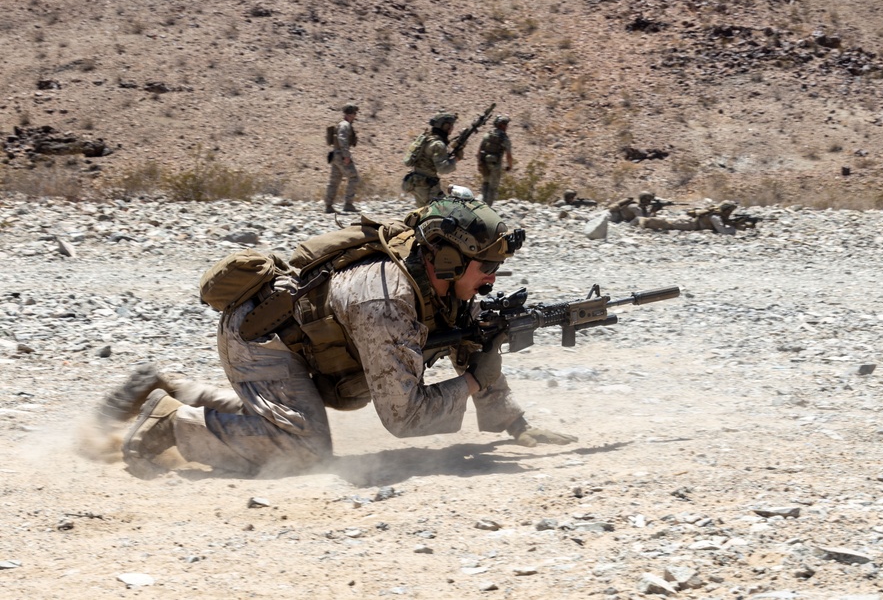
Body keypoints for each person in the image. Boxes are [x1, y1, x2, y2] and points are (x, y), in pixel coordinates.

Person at [99, 198, 577, 479]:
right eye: (486, 268)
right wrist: (474, 383)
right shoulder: (387, 299)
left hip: (288, 344)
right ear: (449, 260)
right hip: (261, 341)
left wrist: (516, 425)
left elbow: (472, 342)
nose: (492, 280)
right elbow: (404, 417)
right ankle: (172, 423)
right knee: (303, 450)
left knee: (293, 420)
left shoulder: (436, 281)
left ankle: (179, 392)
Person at [402, 112, 464, 207]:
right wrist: (456, 159)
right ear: (445, 126)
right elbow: (443, 169)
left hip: (415, 183)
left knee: (423, 215)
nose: (452, 128)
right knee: (442, 213)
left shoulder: (426, 139)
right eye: (451, 125)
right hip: (428, 187)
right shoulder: (438, 144)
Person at [636, 201, 758, 234]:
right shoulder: (715, 217)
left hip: (692, 224)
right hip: (690, 224)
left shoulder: (718, 216)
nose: (730, 213)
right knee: (669, 224)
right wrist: (734, 229)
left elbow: (728, 224)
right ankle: (646, 221)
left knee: (670, 223)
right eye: (730, 211)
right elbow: (722, 230)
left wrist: (746, 225)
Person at [324, 103, 360, 214]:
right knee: (354, 177)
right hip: (341, 155)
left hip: (335, 155)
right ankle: (348, 204)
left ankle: (328, 206)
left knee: (334, 181)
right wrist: (346, 155)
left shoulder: (340, 124)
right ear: (350, 113)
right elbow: (342, 139)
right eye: (354, 113)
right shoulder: (345, 125)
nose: (355, 116)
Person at [477, 115, 513, 205]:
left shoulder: (487, 135)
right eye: (506, 125)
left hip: (484, 163)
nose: (507, 127)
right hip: (496, 165)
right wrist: (510, 166)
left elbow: (479, 150)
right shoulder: (504, 139)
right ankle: (487, 209)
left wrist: (479, 163)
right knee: (493, 188)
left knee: (485, 183)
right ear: (502, 125)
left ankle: (482, 204)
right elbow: (508, 155)